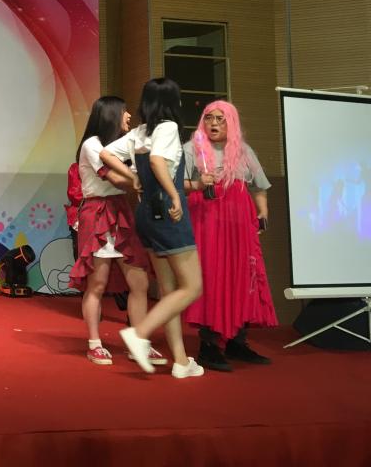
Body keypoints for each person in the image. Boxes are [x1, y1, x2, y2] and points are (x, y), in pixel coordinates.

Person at [101, 78, 205, 379]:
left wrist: (133, 177)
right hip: (168, 212)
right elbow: (158, 162)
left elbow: (106, 154)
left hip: (145, 213)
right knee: (192, 286)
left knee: (169, 289)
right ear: (173, 102)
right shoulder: (168, 128)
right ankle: (140, 333)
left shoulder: (140, 132)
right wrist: (175, 196)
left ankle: (181, 361)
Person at [183, 101, 277, 371]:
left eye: (220, 119)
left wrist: (262, 212)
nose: (213, 123)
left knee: (241, 277)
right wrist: (198, 184)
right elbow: (176, 185)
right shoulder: (191, 149)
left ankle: (237, 341)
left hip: (239, 224)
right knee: (211, 277)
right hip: (206, 222)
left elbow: (259, 186)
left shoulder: (244, 151)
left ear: (231, 122)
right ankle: (209, 345)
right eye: (209, 118)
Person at [69, 96, 162, 366]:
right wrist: (143, 179)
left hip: (121, 211)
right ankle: (94, 344)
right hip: (97, 213)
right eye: (124, 112)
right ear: (111, 114)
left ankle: (139, 343)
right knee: (97, 283)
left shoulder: (121, 145)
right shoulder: (92, 145)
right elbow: (114, 178)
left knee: (140, 282)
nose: (129, 116)